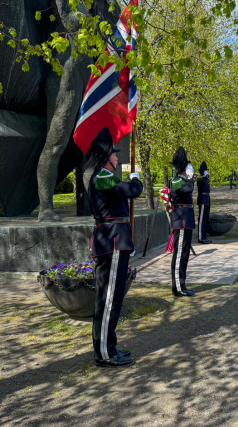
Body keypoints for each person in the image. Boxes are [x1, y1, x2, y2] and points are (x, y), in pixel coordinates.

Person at [84, 127, 143, 368]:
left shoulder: (104, 178)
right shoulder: (103, 177)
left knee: (112, 298)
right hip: (113, 241)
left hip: (113, 239)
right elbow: (133, 191)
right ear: (105, 157)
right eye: (114, 155)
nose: (118, 159)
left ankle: (109, 345)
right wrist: (135, 178)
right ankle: (104, 352)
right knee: (108, 300)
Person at [170, 147, 196, 297]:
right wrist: (191, 178)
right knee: (180, 254)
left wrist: (191, 178)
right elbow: (188, 189)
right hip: (181, 221)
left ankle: (181, 284)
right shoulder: (177, 181)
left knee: (184, 254)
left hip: (186, 220)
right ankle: (178, 287)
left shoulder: (182, 180)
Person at [196, 161, 212, 244]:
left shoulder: (205, 178)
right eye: (205, 170)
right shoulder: (200, 179)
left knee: (205, 219)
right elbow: (201, 181)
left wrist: (206, 176)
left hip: (206, 199)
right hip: (202, 199)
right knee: (202, 219)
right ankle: (200, 237)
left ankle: (204, 236)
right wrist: (205, 176)